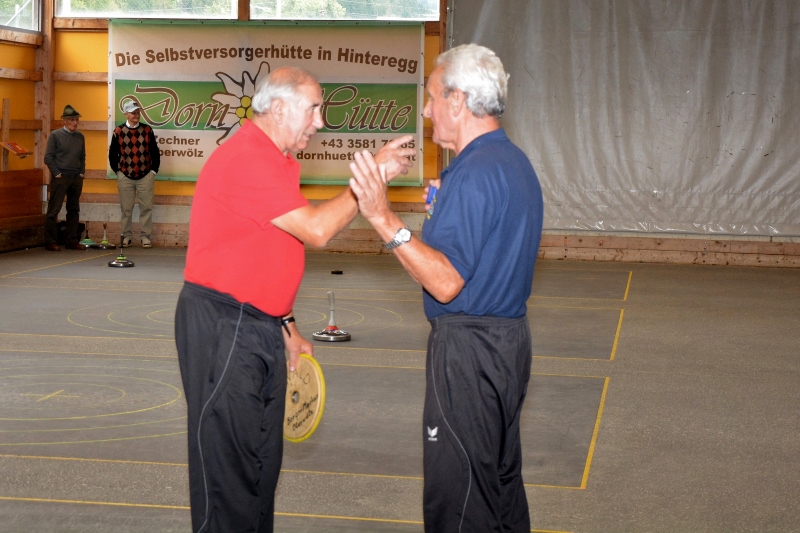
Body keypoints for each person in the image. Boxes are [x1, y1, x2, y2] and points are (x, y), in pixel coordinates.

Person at [174, 66, 415, 533]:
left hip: (257, 325)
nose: (320, 122)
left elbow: (266, 249)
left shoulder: (275, 160)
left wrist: (286, 325)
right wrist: (369, 181)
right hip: (225, 329)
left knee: (260, 468)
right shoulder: (248, 157)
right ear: (279, 108)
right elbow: (316, 230)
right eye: (314, 109)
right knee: (230, 477)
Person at [348, 44, 544, 532]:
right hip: (507, 345)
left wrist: (382, 217)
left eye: (433, 96)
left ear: (458, 100)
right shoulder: (510, 162)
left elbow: (445, 282)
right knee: (497, 489)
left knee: (459, 501)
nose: (426, 109)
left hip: (469, 353)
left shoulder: (475, 173)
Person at [108, 100, 160, 248]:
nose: (136, 115)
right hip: (125, 176)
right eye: (133, 113)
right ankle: (126, 237)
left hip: (146, 175)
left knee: (146, 208)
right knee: (126, 209)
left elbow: (155, 152)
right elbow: (113, 155)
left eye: (137, 112)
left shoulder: (147, 130)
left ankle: (145, 237)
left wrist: (153, 171)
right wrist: (118, 172)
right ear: (126, 114)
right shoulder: (118, 131)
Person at [43, 104, 87, 251]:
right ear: (65, 121)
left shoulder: (80, 137)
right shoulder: (55, 135)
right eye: (72, 120)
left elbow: (82, 157)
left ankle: (72, 240)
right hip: (61, 177)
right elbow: (48, 157)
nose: (75, 123)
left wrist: (81, 173)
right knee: (54, 209)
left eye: (76, 120)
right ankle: (50, 241)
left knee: (74, 209)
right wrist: (57, 174)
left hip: (76, 177)